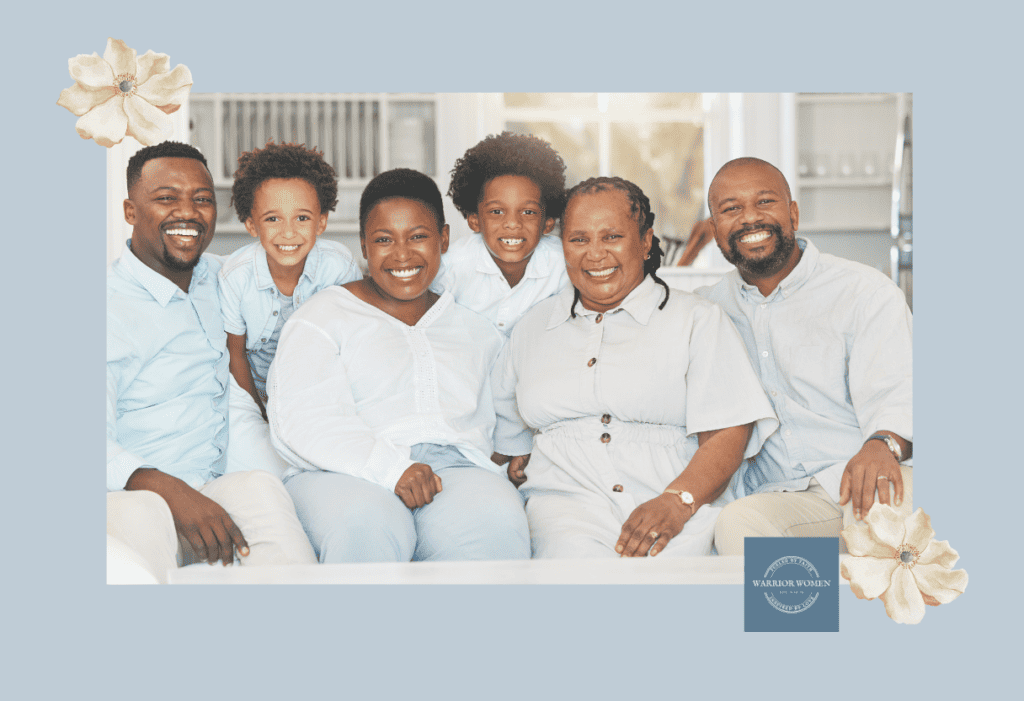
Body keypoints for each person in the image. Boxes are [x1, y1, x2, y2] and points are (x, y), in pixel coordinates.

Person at [493, 177, 778, 558]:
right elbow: (507, 441)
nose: (594, 254)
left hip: (679, 504)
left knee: (695, 597)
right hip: (565, 511)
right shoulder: (532, 327)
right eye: (578, 240)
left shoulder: (696, 319)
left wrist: (677, 502)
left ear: (644, 242)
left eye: (611, 237)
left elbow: (728, 432)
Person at [268, 168, 531, 563]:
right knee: (367, 526)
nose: (402, 254)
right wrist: (392, 470)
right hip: (342, 472)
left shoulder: (477, 330)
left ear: (443, 237)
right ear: (364, 246)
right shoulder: (323, 316)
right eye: (383, 240)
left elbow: (506, 416)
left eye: (418, 236)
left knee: (497, 525)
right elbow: (304, 419)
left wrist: (509, 456)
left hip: (456, 471)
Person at [107, 141, 316, 583]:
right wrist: (171, 491)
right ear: (130, 210)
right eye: (166, 198)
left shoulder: (224, 279)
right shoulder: (104, 307)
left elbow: (295, 267)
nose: (187, 212)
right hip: (130, 494)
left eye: (202, 199)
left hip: (218, 483)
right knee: (141, 522)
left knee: (263, 491)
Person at [695, 157, 913, 555]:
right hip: (780, 497)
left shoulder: (863, 292)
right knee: (737, 523)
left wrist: (883, 444)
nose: (750, 218)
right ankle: (797, 620)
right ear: (715, 230)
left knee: (888, 504)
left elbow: (898, 393)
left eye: (765, 202)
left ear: (793, 213)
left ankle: (874, 617)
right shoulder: (703, 311)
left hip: (862, 475)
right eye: (731, 209)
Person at [219, 142, 361, 479]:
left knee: (337, 458)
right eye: (272, 219)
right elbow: (235, 356)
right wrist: (263, 413)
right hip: (253, 390)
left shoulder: (337, 267)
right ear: (251, 225)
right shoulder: (235, 277)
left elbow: (352, 346)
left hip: (319, 388)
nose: (288, 232)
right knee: (261, 461)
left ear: (322, 222)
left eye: (302, 218)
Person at [437, 131, 569, 335]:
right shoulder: (450, 269)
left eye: (528, 212)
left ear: (548, 223)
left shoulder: (563, 266)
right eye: (496, 212)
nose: (513, 224)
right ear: (474, 220)